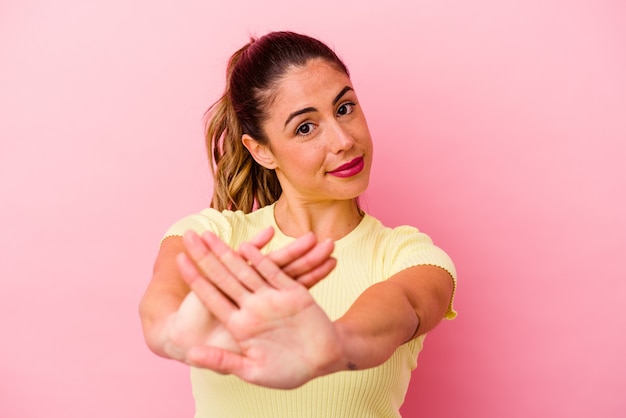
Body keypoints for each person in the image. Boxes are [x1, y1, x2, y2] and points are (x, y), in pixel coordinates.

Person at [139, 31, 457, 418]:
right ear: (262, 151)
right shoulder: (215, 237)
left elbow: (403, 305)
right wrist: (170, 333)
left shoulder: (408, 255)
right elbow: (161, 301)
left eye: (344, 108)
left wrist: (334, 344)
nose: (343, 140)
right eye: (305, 128)